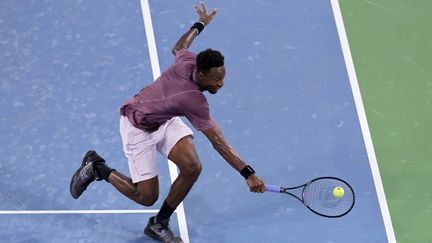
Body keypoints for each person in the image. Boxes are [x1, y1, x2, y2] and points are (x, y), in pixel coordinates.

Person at [70, 2, 265, 242]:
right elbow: (219, 143)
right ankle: (98, 168)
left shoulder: (189, 61)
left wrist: (200, 24)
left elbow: (179, 46)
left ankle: (159, 223)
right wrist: (248, 174)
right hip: (137, 127)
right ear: (201, 75)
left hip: (164, 119)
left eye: (222, 77)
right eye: (216, 80)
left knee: (192, 167)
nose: (221, 84)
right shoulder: (194, 100)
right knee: (146, 197)